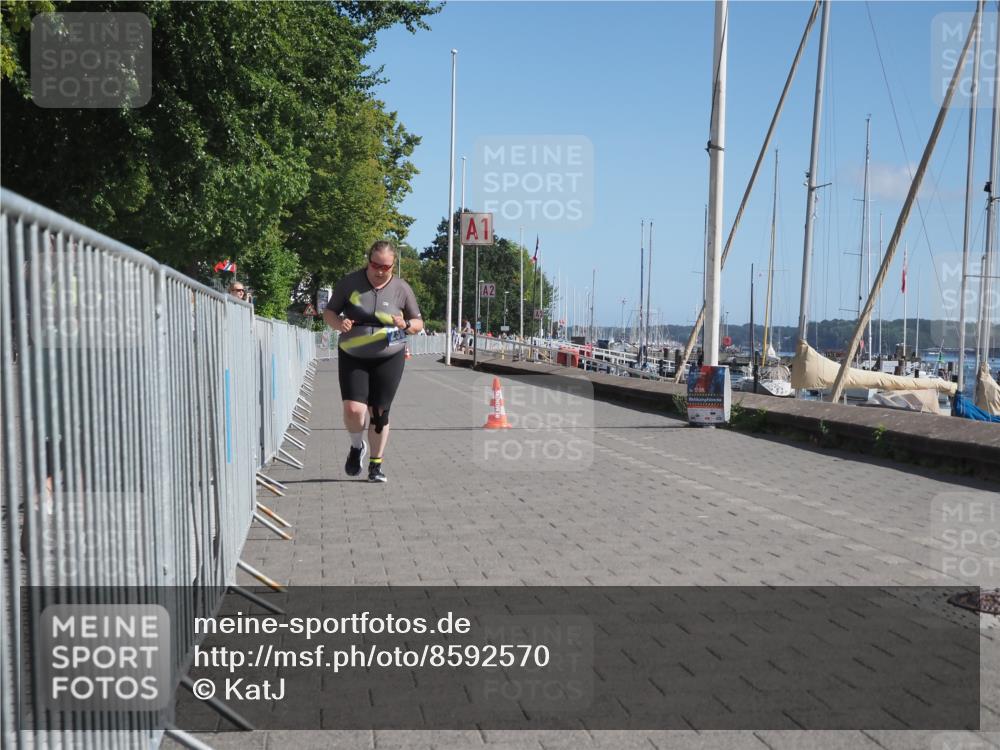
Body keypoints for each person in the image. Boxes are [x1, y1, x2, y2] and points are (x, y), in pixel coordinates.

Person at [323, 241, 423, 482]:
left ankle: (375, 466)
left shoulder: (402, 288)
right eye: (375, 264)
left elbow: (419, 324)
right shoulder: (350, 283)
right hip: (353, 353)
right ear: (368, 261)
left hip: (389, 355)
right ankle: (357, 447)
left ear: (393, 266)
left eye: (386, 267)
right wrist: (339, 323)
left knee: (379, 412)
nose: (380, 271)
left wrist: (406, 325)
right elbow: (329, 312)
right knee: (353, 409)